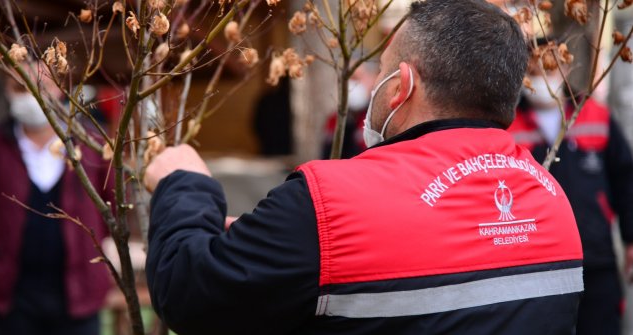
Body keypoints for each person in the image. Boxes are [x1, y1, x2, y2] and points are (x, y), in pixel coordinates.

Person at [144, 1, 584, 334]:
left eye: (382, 70)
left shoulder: (328, 204)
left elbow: (191, 293)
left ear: (402, 85)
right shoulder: (552, 201)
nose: (374, 81)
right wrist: (281, 241)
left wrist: (183, 184)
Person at [0, 66, 112, 335]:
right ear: (8, 91)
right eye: (21, 88)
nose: (32, 97)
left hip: (79, 291)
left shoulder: (93, 143)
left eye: (41, 87)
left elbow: (110, 208)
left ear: (61, 89)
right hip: (11, 296)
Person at [508, 48, 633, 335]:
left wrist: (631, 238)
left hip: (596, 260)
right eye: (534, 73)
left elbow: (625, 178)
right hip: (536, 267)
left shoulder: (595, 116)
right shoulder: (510, 126)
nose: (543, 80)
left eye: (549, 69)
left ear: (564, 68)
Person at [321, 64, 378, 159]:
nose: (351, 85)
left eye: (356, 78)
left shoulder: (376, 119)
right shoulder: (334, 120)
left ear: (371, 79)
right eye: (346, 80)